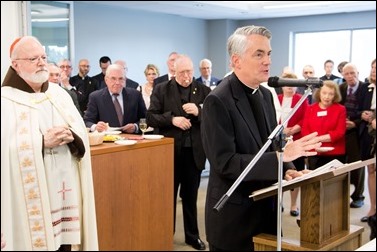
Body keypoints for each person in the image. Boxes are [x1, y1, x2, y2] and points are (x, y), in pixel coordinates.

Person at [201, 25, 322, 251]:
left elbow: (272, 144)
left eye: (268, 54)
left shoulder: (265, 94)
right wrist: (281, 157)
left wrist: (288, 168)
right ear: (236, 61)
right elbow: (225, 163)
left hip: (267, 212)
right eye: (259, 54)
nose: (267, 61)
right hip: (235, 217)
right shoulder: (217, 101)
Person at [1, 36, 98, 250]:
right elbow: (3, 151)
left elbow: (80, 130)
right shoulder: (5, 101)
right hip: (32, 197)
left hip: (65, 190)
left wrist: (73, 136)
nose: (41, 62)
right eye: (33, 58)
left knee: (65, 244)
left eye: (43, 57)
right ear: (15, 65)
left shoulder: (58, 94)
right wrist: (41, 142)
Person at [147, 54, 211, 250]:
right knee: (168, 198)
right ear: (174, 72)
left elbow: (215, 119)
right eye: (182, 72)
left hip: (194, 153)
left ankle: (192, 236)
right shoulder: (162, 89)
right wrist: (172, 120)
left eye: (190, 72)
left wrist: (200, 111)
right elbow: (150, 117)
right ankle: (166, 235)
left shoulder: (204, 90)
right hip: (170, 153)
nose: (187, 76)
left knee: (191, 197)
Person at [277, 72, 309, 217]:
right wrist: (282, 130)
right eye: (287, 84)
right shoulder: (276, 99)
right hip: (278, 140)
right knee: (279, 173)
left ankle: (294, 204)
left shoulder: (301, 99)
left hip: (296, 140)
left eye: (293, 85)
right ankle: (279, 202)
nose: (290, 88)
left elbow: (306, 119)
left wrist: (293, 130)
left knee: (295, 172)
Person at [84, 64, 146, 133]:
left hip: (132, 140)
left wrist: (135, 127)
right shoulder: (95, 97)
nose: (117, 83)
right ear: (106, 80)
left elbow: (146, 119)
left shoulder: (135, 95)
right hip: (108, 141)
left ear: (125, 79)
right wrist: (95, 127)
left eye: (120, 78)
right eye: (113, 78)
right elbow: (87, 121)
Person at [301, 81, 346, 169]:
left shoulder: (340, 109)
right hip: (314, 152)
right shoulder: (310, 109)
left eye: (331, 94)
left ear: (335, 95)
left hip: (335, 152)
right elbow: (305, 130)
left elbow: (339, 132)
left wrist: (318, 139)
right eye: (324, 93)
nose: (327, 97)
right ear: (319, 93)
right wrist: (315, 143)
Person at [339, 63, 365, 208]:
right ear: (343, 75)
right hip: (341, 130)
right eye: (346, 74)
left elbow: (367, 110)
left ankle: (358, 196)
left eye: (352, 73)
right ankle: (341, 196)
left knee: (357, 165)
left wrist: (354, 123)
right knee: (341, 163)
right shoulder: (341, 88)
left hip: (357, 131)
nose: (350, 76)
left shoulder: (365, 88)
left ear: (358, 73)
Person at [359, 58, 376, 222]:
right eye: (372, 67)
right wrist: (362, 115)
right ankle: (372, 208)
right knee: (370, 169)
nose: (374, 71)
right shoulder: (365, 87)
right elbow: (357, 108)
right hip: (368, 132)